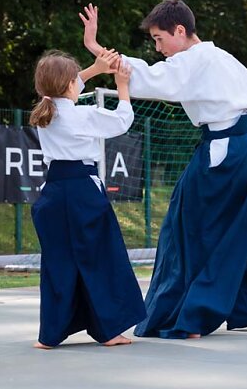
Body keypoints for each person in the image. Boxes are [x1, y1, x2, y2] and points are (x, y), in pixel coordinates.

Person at [80, 0, 247, 340]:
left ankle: (193, 316)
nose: (158, 48)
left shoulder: (193, 61)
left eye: (159, 39)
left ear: (180, 31)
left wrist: (95, 47)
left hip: (225, 153)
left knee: (186, 228)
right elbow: (155, 73)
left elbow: (145, 76)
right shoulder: (222, 57)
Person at [29, 49, 146, 349]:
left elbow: (63, 88)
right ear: (70, 84)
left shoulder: (45, 114)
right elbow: (122, 121)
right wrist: (122, 85)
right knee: (101, 258)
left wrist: (95, 68)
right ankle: (109, 330)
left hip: (53, 193)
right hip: (83, 191)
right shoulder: (82, 114)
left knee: (58, 262)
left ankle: (49, 335)